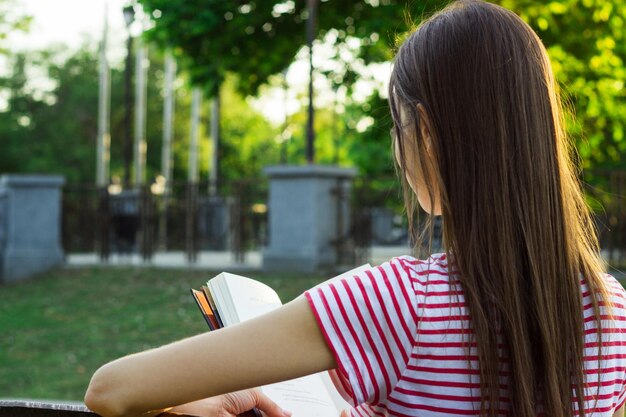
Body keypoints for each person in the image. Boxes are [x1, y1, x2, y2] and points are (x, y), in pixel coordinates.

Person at [84, 1, 626, 416]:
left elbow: (110, 389)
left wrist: (212, 401)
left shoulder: (396, 302)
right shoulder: (612, 311)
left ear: (428, 135)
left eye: (398, 125)